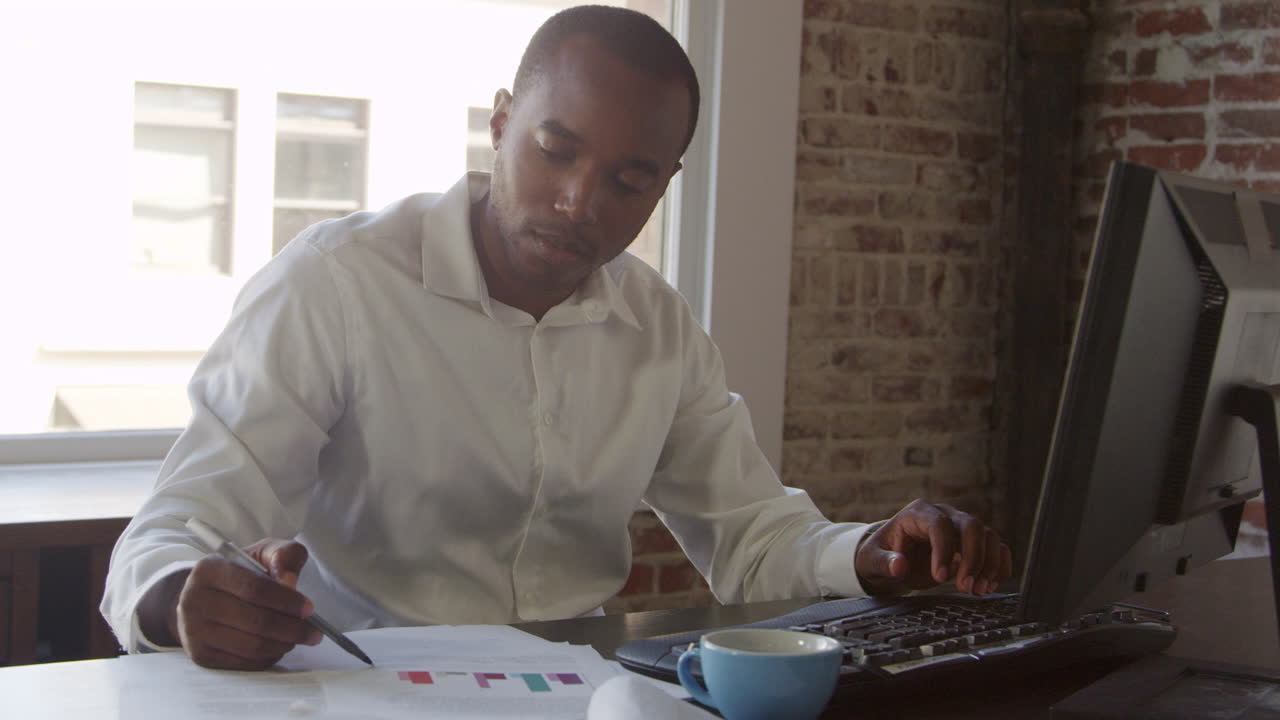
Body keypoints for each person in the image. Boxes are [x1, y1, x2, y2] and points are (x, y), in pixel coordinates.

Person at [102, 5, 1012, 671]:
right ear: (500, 125)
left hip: (582, 690)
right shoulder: (335, 284)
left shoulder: (654, 325)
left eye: (628, 178)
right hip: (359, 685)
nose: (580, 202)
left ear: (665, 185)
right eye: (554, 148)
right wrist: (180, 598)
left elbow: (751, 536)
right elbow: (173, 531)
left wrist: (871, 553)